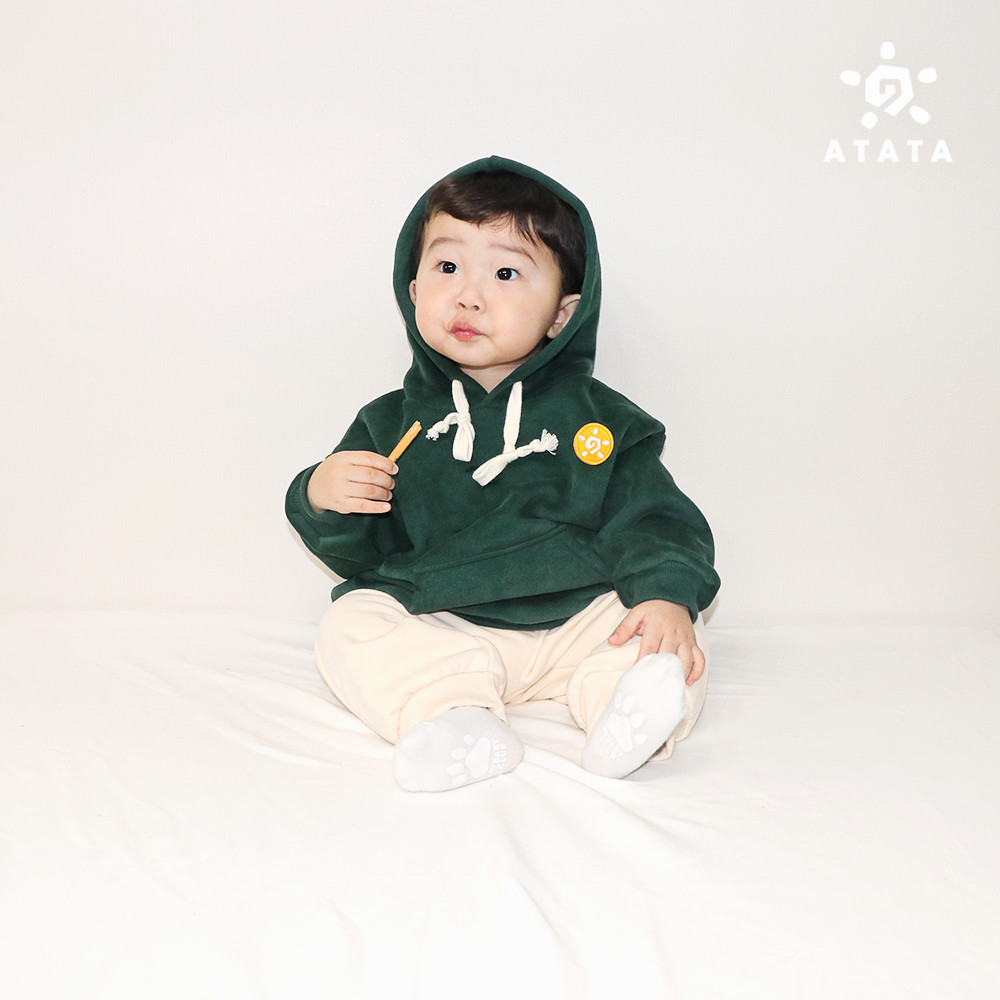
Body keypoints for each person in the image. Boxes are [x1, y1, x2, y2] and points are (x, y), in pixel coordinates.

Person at [286, 156, 720, 792]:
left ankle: (626, 709)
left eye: (506, 273)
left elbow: (653, 519)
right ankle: (455, 716)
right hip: (443, 622)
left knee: (665, 630)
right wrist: (324, 498)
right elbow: (364, 556)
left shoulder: (602, 422)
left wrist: (664, 593)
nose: (469, 295)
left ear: (561, 315)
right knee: (350, 624)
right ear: (413, 290)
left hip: (578, 619)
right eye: (447, 267)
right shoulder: (390, 423)